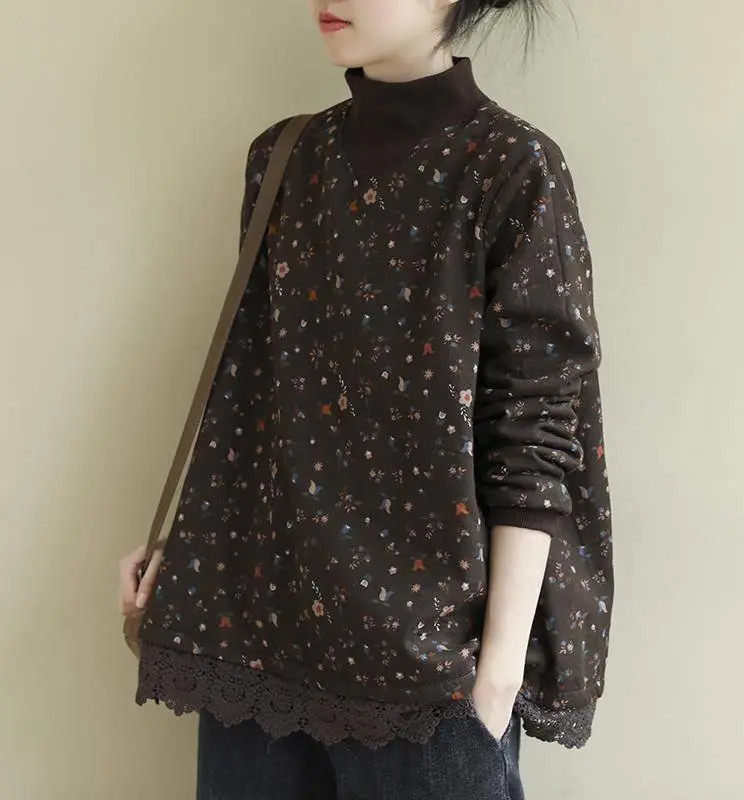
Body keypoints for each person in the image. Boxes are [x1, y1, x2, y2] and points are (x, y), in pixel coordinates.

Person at [118, 1, 614, 798]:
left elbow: (536, 434)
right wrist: (199, 555)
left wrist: (494, 681)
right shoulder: (283, 159)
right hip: (260, 653)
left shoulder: (513, 169)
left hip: (430, 682)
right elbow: (256, 395)